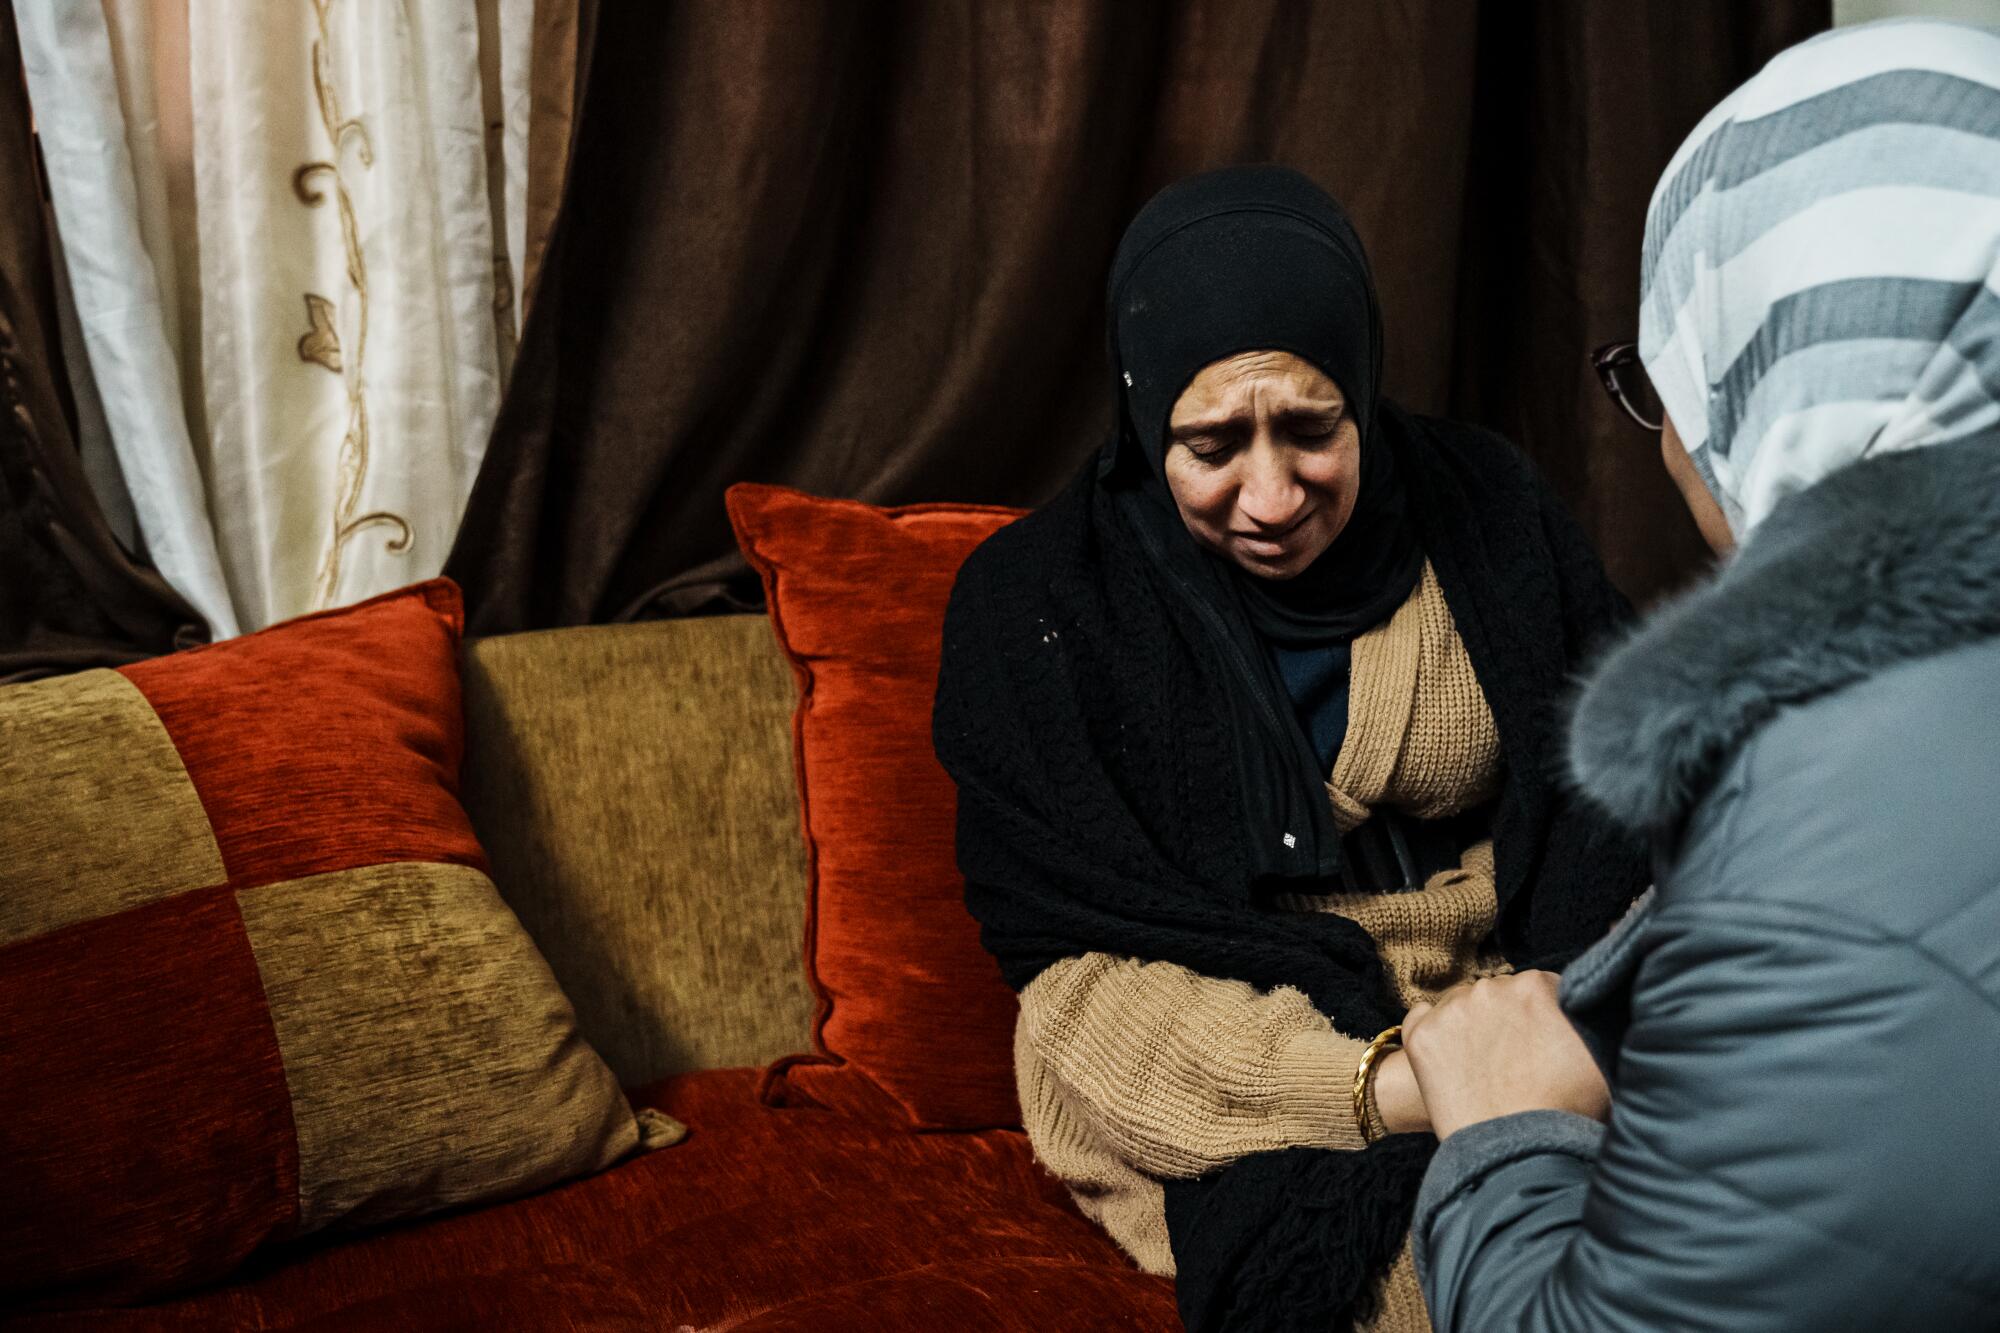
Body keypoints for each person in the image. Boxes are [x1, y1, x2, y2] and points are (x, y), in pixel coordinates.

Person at [932, 165, 1650, 1330]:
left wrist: (1558, 1016)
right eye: (1210, 445)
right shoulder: (1034, 606)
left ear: (1361, 390)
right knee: (1069, 1023)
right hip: (1233, 1045)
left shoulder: (1487, 508)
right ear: (1140, 406)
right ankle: (1425, 1105)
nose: (1268, 496)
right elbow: (1062, 939)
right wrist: (1408, 1083)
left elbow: (1613, 787)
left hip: (1508, 988)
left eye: (1311, 430)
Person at [1404, 20, 2000, 1330]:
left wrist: (1498, 1127)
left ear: (1776, 380)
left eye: (1668, 377)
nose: (1669, 442)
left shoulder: (1825, 817)